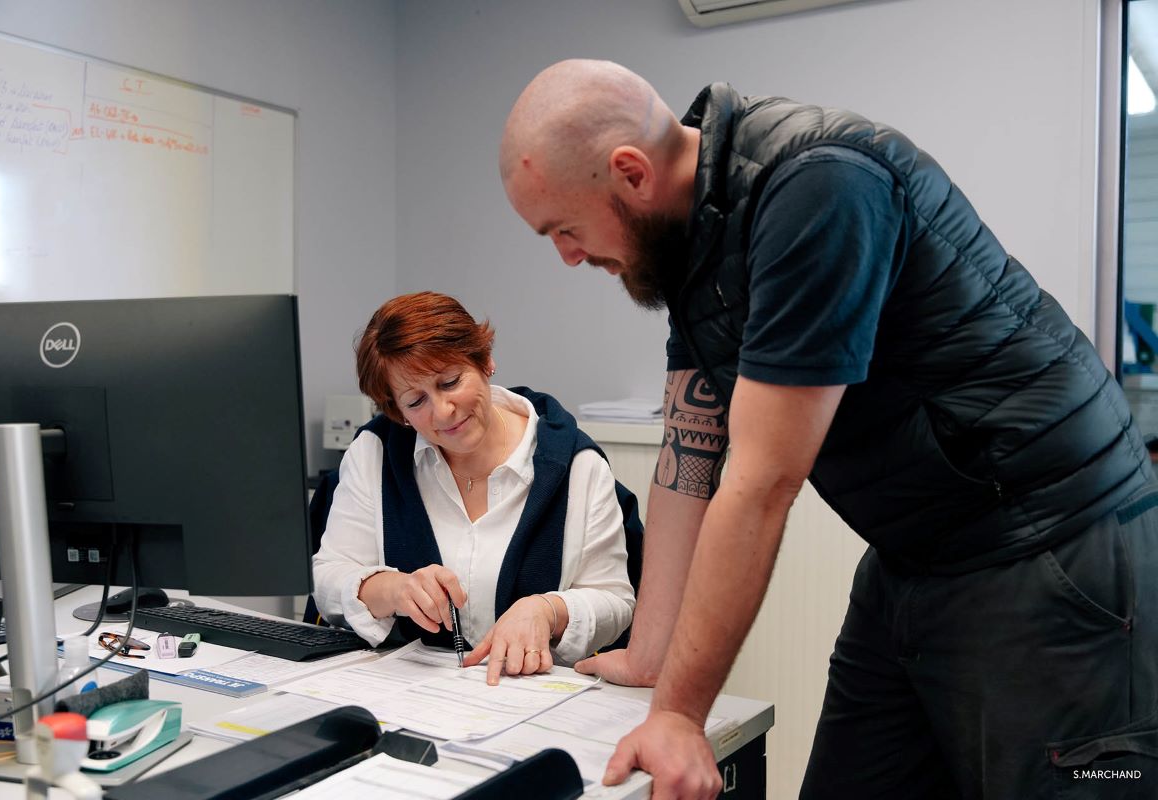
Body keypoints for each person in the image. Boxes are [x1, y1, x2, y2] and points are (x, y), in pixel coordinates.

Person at [499, 59, 1158, 799]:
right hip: (914, 553)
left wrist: (681, 715)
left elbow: (761, 482)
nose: (567, 254)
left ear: (631, 173)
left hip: (1052, 546)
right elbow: (689, 458)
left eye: (563, 227)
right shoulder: (687, 249)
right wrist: (651, 660)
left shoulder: (819, 184)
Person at [312, 291, 636, 686]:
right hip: (409, 693)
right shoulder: (375, 453)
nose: (443, 411)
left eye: (450, 382)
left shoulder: (575, 464)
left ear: (485, 360)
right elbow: (328, 577)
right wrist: (393, 589)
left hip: (533, 699)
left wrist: (547, 610)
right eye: (416, 402)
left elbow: (616, 601)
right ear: (397, 411)